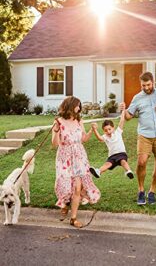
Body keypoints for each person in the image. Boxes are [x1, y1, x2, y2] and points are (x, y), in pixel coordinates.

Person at [119, 71, 156, 205]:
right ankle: (140, 190)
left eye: (148, 85)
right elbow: (128, 116)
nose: (146, 88)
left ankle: (152, 191)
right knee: (141, 162)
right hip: (144, 135)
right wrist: (124, 109)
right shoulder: (137, 98)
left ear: (153, 82)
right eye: (143, 85)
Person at [52, 96, 100, 228]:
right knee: (66, 186)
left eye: (79, 106)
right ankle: (65, 203)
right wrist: (56, 129)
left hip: (79, 156)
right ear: (69, 106)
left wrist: (91, 130)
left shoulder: (79, 121)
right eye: (77, 105)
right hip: (64, 157)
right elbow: (55, 144)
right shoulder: (59, 122)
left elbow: (83, 139)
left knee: (78, 187)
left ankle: (73, 218)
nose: (79, 108)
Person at [89, 110, 134, 179]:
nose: (108, 131)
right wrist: (94, 129)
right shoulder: (105, 137)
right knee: (107, 164)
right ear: (104, 131)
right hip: (112, 156)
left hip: (121, 153)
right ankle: (98, 171)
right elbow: (100, 138)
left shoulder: (118, 132)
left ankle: (128, 171)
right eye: (106, 130)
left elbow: (122, 121)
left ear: (113, 127)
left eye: (109, 129)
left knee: (123, 161)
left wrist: (123, 111)